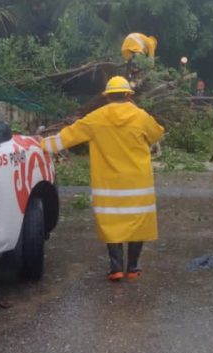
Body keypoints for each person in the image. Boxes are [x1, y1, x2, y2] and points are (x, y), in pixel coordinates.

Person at [41, 76, 165, 282]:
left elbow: (67, 137)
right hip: (137, 183)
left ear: (107, 97)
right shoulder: (140, 116)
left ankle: (116, 267)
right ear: (129, 95)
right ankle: (133, 268)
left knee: (112, 222)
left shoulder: (96, 118)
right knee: (138, 222)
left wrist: (41, 144)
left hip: (109, 185)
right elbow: (157, 133)